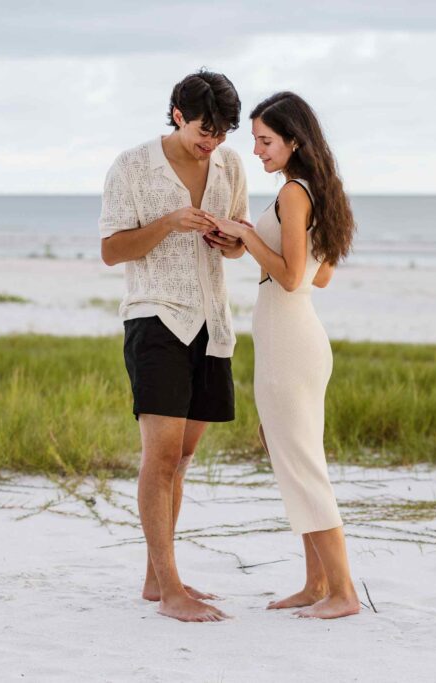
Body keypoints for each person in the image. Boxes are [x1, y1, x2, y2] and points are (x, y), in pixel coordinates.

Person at [98, 70, 249, 623]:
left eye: (223, 134)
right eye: (204, 132)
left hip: (214, 324)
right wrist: (167, 223)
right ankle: (172, 589)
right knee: (159, 458)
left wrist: (229, 239)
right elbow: (112, 251)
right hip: (155, 319)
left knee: (182, 459)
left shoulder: (230, 165)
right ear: (178, 114)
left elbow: (236, 248)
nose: (212, 144)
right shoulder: (132, 166)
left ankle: (154, 579)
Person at [210, 91, 360, 619]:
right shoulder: (314, 191)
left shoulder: (294, 194)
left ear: (294, 140)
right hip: (297, 339)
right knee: (294, 461)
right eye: (254, 139)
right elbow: (321, 271)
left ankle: (343, 593)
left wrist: (246, 237)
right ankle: (316, 583)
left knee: (301, 464)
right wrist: (248, 240)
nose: (256, 150)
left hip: (290, 342)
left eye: (265, 140)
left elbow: (294, 278)